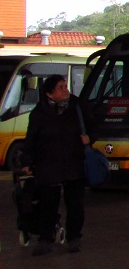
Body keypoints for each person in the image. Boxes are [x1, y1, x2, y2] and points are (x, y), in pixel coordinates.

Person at [21, 74, 90, 256]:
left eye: (65, 86)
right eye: (60, 87)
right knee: (47, 204)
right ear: (50, 94)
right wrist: (27, 161)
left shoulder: (76, 106)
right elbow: (31, 138)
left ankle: (74, 238)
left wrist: (90, 138)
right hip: (48, 164)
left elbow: (92, 125)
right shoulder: (40, 112)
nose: (65, 89)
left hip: (73, 162)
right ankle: (45, 239)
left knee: (75, 204)